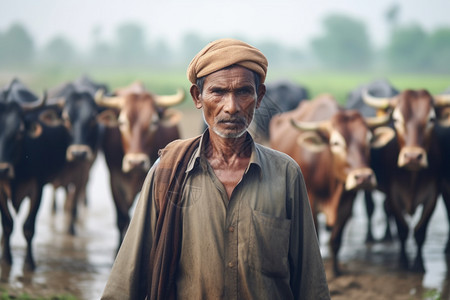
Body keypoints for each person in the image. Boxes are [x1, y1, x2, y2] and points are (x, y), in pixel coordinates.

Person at [101, 38, 330, 300]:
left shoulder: (287, 174)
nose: (231, 107)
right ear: (198, 97)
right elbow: (128, 276)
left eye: (244, 92)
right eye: (218, 92)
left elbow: (310, 281)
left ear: (259, 98)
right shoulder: (166, 170)